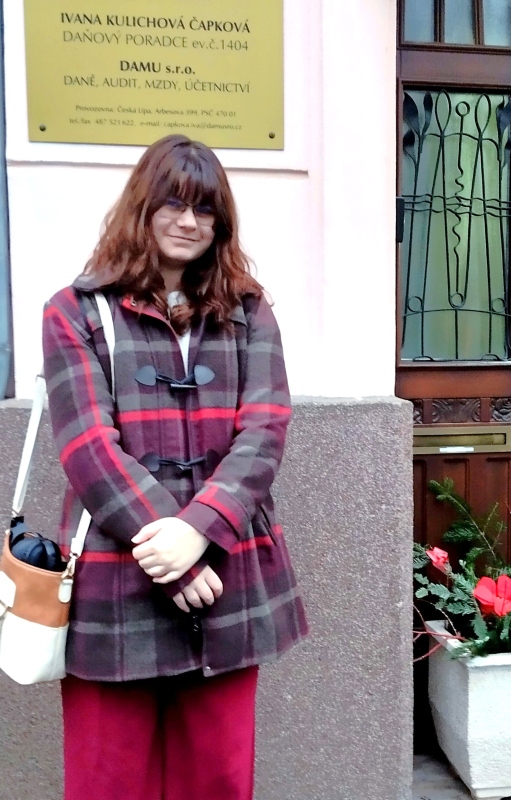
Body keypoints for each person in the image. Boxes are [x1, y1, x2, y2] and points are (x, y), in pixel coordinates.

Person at [42, 134, 308, 800]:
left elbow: (264, 430)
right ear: (144, 206)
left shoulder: (248, 311)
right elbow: (87, 447)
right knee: (106, 783)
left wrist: (201, 528)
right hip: (115, 577)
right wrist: (177, 555)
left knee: (218, 780)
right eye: (174, 204)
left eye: (205, 209)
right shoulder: (75, 311)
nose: (190, 222)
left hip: (227, 576)